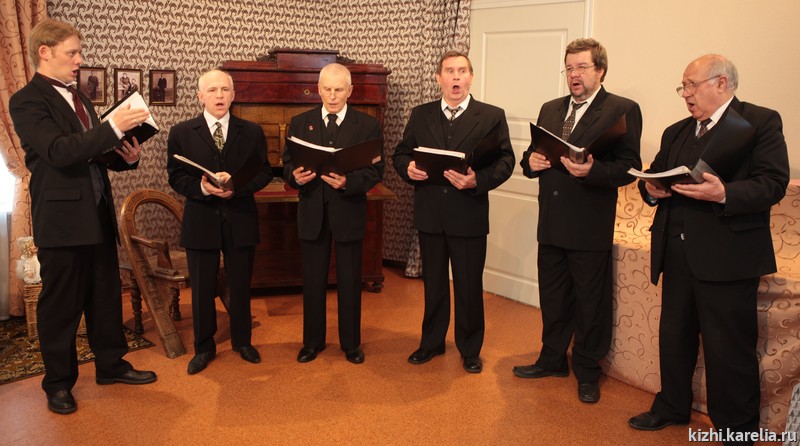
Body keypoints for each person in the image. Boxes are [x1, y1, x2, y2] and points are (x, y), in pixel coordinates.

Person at [628, 54, 789, 444]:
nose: (686, 94)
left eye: (691, 85)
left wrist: (725, 193)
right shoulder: (677, 131)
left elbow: (773, 183)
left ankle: (736, 428)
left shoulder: (760, 122)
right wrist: (650, 189)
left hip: (728, 256)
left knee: (728, 347)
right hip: (676, 251)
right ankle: (671, 405)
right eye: (682, 87)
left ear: (721, 83)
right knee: (674, 336)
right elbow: (654, 175)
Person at [9, 18, 156, 415]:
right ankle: (58, 383)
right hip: (61, 221)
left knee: (105, 296)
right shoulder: (26, 100)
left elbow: (90, 153)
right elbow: (58, 152)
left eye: (79, 52)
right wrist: (112, 127)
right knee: (60, 306)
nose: (79, 59)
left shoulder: (80, 98)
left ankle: (111, 365)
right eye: (72, 52)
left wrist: (125, 157)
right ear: (45, 52)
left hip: (97, 214)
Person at [512, 38, 642, 404]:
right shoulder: (551, 108)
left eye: (582, 67)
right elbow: (534, 153)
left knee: (589, 302)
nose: (574, 74)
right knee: (553, 297)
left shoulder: (621, 109)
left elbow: (629, 167)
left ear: (600, 70)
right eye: (569, 68)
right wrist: (530, 163)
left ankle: (587, 369)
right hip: (551, 221)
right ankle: (552, 359)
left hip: (589, 223)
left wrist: (593, 171)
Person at [392, 50, 515, 374]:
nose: (456, 76)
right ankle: (431, 342)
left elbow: (506, 161)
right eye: (449, 71)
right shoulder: (421, 114)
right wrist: (408, 168)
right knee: (433, 284)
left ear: (471, 77)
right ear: (439, 78)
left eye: (462, 70)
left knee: (468, 286)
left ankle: (470, 349)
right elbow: (401, 153)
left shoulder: (491, 116)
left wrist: (478, 180)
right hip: (430, 215)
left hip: (469, 214)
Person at [167, 69, 273, 375]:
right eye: (212, 90)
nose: (219, 95)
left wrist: (237, 186)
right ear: (200, 96)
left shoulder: (251, 131)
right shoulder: (181, 132)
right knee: (202, 289)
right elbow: (175, 176)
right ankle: (203, 347)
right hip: (201, 219)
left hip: (240, 218)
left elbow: (265, 172)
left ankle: (243, 342)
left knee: (240, 285)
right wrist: (202, 188)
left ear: (233, 95)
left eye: (225, 89)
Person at [282, 63, 383, 364]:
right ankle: (312, 343)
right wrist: (294, 177)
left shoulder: (367, 126)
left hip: (348, 211)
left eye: (339, 89)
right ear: (318, 89)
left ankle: (351, 344)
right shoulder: (300, 123)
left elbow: (376, 170)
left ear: (350, 90)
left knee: (350, 281)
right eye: (327, 89)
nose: (333, 95)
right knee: (313, 281)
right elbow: (287, 165)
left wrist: (348, 182)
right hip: (312, 213)